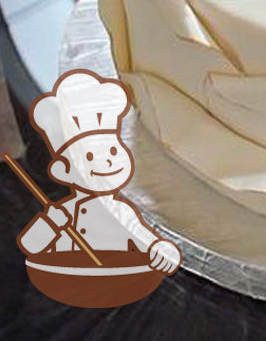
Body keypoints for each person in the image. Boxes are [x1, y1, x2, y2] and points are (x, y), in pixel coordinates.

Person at [17, 69, 181, 274]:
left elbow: (154, 244)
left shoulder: (126, 212)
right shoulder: (66, 211)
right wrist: (51, 222)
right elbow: (30, 244)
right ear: (65, 171)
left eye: (113, 151)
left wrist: (162, 252)